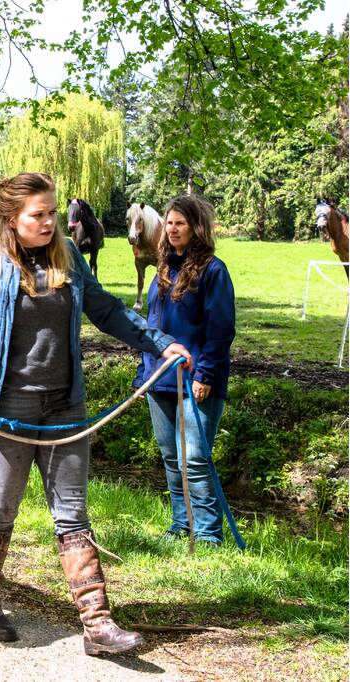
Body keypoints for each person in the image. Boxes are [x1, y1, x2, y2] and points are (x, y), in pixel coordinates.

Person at [0, 172, 191, 656]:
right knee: (3, 507)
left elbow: (109, 312)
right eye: (39, 215)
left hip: (65, 404)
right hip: (2, 406)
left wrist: (159, 343)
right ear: (11, 219)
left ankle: (97, 624)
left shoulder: (70, 261)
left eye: (52, 213)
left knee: (72, 513)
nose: (51, 223)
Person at [134, 195, 235, 546]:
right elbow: (152, 325)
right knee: (171, 457)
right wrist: (143, 373)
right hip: (159, 376)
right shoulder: (162, 269)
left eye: (180, 223)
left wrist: (206, 374)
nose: (173, 229)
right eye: (170, 222)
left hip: (196, 379)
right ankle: (181, 525)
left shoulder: (214, 270)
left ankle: (207, 534)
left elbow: (221, 329)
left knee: (194, 457)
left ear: (196, 228)